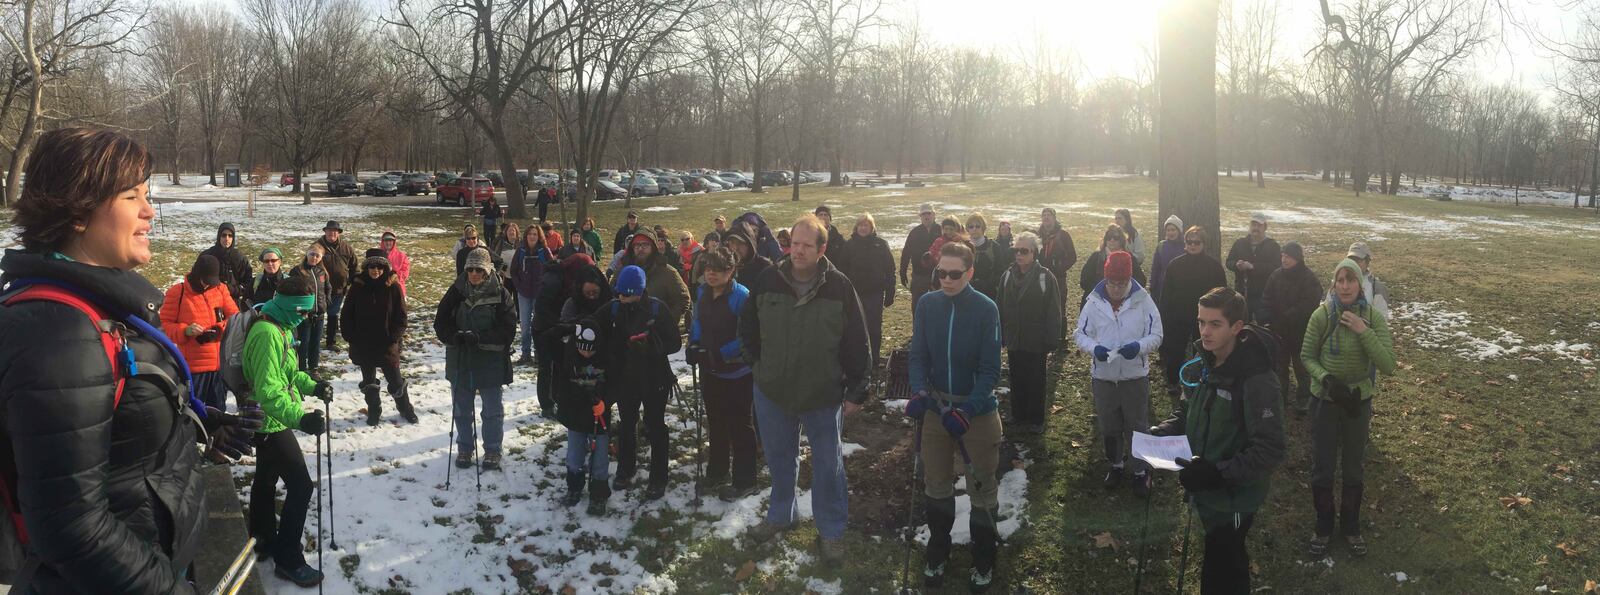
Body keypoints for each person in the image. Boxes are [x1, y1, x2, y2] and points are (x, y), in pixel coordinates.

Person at [0, 127, 234, 593]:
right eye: (132, 196)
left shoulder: (96, 301)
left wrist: (196, 421)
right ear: (80, 211)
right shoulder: (60, 334)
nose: (150, 211)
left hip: (153, 552)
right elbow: (70, 527)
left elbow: (114, 429)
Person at [737, 214, 872, 562]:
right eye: (793, 243)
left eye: (806, 245)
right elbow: (747, 326)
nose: (797, 251)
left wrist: (857, 390)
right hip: (773, 392)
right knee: (780, 461)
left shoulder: (839, 287)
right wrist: (757, 366)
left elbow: (858, 340)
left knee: (828, 466)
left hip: (822, 394)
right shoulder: (769, 279)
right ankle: (781, 516)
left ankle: (831, 531)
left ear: (821, 249)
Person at [1148, 287, 1285, 595]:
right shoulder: (1205, 361)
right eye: (1200, 322)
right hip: (1206, 489)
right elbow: (1189, 407)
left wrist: (1217, 473)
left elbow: (1270, 449)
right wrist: (1165, 430)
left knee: (1226, 568)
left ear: (1237, 327)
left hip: (1234, 496)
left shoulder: (1257, 380)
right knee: (1216, 558)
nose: (1205, 332)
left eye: (1215, 324)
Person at [905, 242, 1004, 591]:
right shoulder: (928, 305)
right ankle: (939, 547)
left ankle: (984, 554)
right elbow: (917, 355)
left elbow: (992, 370)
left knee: (981, 487)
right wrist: (918, 391)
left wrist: (969, 409)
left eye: (954, 274)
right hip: (936, 408)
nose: (946, 280)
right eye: (941, 273)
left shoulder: (985, 309)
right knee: (936, 483)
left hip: (975, 411)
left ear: (970, 273)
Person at [1301, 258, 1395, 558]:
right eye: (1339, 280)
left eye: (1350, 280)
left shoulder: (1372, 318)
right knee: (1323, 465)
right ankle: (1324, 526)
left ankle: (1351, 527)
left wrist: (1361, 331)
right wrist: (1326, 379)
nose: (1344, 286)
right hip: (1325, 401)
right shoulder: (1322, 315)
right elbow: (1307, 356)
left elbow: (1388, 364)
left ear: (1360, 284)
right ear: (1333, 284)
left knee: (1353, 466)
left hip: (1358, 402)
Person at [243, 275, 332, 587]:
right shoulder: (268, 333)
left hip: (269, 417)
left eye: (309, 312)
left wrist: (315, 385)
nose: (305, 317)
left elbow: (288, 374)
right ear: (287, 305)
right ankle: (288, 559)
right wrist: (301, 419)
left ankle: (263, 538)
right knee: (301, 486)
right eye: (302, 311)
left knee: (266, 477)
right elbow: (269, 392)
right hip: (268, 419)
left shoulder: (280, 324)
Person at [1074, 251, 1162, 497]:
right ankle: (1115, 464)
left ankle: (1140, 471)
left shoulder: (1143, 301)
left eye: (1121, 283)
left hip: (1134, 377)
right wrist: (1095, 349)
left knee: (1137, 425)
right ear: (1105, 279)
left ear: (1129, 280)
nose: (1116, 289)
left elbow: (1157, 335)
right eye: (1112, 283)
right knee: (1109, 424)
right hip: (1103, 377)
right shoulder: (1094, 302)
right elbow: (1079, 334)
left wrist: (1139, 347)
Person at [589, 265, 681, 500]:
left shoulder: (656, 309)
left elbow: (675, 344)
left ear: (639, 292)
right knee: (627, 423)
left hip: (655, 378)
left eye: (626, 294)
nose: (621, 298)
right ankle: (625, 469)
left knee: (655, 425)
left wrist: (653, 346)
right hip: (625, 378)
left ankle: (658, 477)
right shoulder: (614, 308)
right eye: (619, 293)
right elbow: (592, 324)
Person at [434, 248, 517, 471]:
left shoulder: (501, 294)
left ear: (487, 270)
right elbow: (440, 321)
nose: (473, 273)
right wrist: (453, 336)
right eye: (470, 269)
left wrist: (480, 338)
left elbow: (508, 330)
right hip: (461, 358)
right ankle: (465, 446)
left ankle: (492, 449)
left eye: (478, 269)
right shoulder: (456, 290)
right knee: (461, 409)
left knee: (491, 410)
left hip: (490, 361)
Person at [687, 248, 760, 501]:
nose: (710, 273)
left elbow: (749, 336)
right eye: (707, 268)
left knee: (740, 425)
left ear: (731, 271)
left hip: (738, 373)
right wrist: (694, 345)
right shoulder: (703, 292)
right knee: (716, 423)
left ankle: (745, 479)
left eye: (717, 269)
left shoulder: (742, 296)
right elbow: (697, 321)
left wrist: (720, 354)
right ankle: (717, 472)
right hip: (711, 371)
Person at [996, 232, 1062, 433]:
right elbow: (999, 306)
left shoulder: (1045, 277)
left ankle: (1036, 419)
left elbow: (1054, 311)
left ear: (1035, 252)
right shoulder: (1007, 276)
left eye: (1024, 251)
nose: (1019, 255)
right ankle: (1018, 414)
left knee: (1036, 380)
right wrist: (1000, 334)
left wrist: (1051, 339)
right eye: (1016, 250)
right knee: (1017, 377)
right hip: (1015, 337)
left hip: (1036, 340)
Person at [343, 248, 417, 425]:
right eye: (372, 266)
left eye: (379, 267)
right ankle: (374, 411)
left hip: (386, 344)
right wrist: (351, 336)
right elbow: (346, 314)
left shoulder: (393, 287)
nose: (375, 270)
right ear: (366, 267)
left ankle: (405, 408)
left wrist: (393, 336)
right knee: (369, 382)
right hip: (363, 343)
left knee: (396, 381)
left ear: (385, 268)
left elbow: (401, 316)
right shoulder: (357, 287)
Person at [160, 253, 240, 410]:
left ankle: (216, 435)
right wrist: (185, 331)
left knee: (218, 413)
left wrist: (220, 329)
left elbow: (235, 317)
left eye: (212, 282)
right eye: (205, 281)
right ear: (197, 274)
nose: (207, 285)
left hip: (218, 366)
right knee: (193, 413)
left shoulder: (220, 289)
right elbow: (164, 325)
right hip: (194, 370)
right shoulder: (178, 292)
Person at [1156, 226, 1228, 400]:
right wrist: (1164, 316)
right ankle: (1173, 381)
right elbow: (1165, 294)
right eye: (1189, 242)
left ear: (1204, 244)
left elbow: (1222, 293)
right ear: (1185, 243)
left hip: (1205, 319)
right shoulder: (1175, 265)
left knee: (1205, 350)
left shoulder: (1214, 267)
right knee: (1175, 350)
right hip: (1177, 316)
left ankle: (1205, 379)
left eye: (1197, 242)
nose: (1193, 245)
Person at [556, 316, 613, 514]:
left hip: (600, 418)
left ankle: (598, 493)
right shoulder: (569, 357)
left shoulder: (606, 357)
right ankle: (574, 487)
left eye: (591, 349)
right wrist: (570, 403)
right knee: (574, 455)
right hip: (576, 416)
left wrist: (604, 401)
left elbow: (614, 384)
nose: (586, 353)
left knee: (599, 458)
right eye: (583, 349)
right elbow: (561, 388)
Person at [1261, 241, 1323, 413]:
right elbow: (1266, 298)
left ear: (1297, 258)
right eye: (1283, 256)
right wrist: (1265, 317)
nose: (1284, 259)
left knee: (1302, 369)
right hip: (1278, 332)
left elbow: (1310, 303)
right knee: (1279, 368)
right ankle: (1280, 398)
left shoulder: (1308, 278)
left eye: (1288, 256)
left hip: (1300, 333)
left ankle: (1304, 400)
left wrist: (1288, 316)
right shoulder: (1275, 276)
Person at [835, 214, 895, 368]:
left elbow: (890, 270)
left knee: (874, 328)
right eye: (860, 225)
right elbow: (842, 269)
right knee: (855, 328)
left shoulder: (881, 245)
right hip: (854, 294)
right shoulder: (849, 246)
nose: (863, 228)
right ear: (856, 227)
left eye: (866, 225)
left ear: (871, 228)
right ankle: (857, 359)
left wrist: (890, 292)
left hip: (875, 294)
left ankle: (874, 359)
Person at [1225, 212, 1281, 322]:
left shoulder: (1273, 246)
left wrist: (1253, 267)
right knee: (1242, 324)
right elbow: (1229, 262)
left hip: (1264, 294)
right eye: (1253, 225)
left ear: (1265, 227)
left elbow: (1277, 267)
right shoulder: (1239, 243)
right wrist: (1236, 265)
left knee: (1264, 325)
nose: (1255, 228)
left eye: (1259, 225)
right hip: (1242, 292)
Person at [624, 231, 690, 322]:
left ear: (653, 247)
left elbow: (682, 300)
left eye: (645, 245)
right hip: (630, 329)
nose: (640, 249)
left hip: (659, 332)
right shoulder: (624, 271)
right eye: (637, 245)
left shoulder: (668, 272)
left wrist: (664, 321)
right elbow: (612, 296)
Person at [1079, 225, 1147, 310]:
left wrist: (1124, 288)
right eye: (1109, 237)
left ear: (1121, 240)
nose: (1112, 240)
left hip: (1124, 306)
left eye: (1115, 237)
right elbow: (1084, 281)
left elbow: (1141, 281)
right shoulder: (1096, 257)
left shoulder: (1129, 258)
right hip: (1097, 304)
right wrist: (1102, 288)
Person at [315, 220, 358, 352]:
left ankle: (330, 342)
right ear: (325, 232)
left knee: (333, 315)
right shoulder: (317, 246)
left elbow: (354, 267)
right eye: (329, 230)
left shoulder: (347, 247)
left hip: (339, 289)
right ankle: (315, 341)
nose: (332, 233)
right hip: (321, 289)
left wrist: (354, 280)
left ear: (338, 233)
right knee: (318, 315)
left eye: (335, 231)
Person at [511, 226, 550, 367]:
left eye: (535, 234)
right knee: (525, 325)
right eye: (530, 234)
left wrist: (546, 286)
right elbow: (513, 271)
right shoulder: (520, 251)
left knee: (539, 325)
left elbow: (552, 269)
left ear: (539, 236)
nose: (532, 237)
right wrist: (518, 285)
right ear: (526, 236)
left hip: (540, 294)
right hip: (524, 293)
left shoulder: (544, 251)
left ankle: (539, 354)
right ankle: (525, 354)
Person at [1036, 207, 1077, 336]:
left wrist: (1060, 268)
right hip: (1040, 277)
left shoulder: (1063, 235)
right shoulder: (1037, 235)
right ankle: (1043, 333)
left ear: (1054, 218)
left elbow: (1072, 256)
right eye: (1044, 215)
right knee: (1041, 304)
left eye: (1049, 215)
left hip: (1058, 277)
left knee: (1059, 305)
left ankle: (1061, 337)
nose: (1046, 217)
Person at [289, 244, 330, 371]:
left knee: (315, 344)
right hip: (304, 316)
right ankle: (302, 369)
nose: (314, 257)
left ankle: (314, 368)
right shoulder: (298, 271)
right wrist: (300, 309)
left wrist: (326, 303)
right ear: (307, 253)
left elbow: (328, 288)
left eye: (318, 255)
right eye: (312, 254)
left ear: (321, 257)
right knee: (303, 344)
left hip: (319, 315)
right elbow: (292, 290)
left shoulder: (321, 272)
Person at [202, 221, 254, 309]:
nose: (227, 238)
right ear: (219, 236)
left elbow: (248, 283)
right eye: (224, 235)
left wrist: (233, 290)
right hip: (209, 300)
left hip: (232, 300)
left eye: (230, 236)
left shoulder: (239, 258)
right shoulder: (208, 256)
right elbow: (197, 277)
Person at [900, 202, 940, 308]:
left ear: (934, 214)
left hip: (940, 275)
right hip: (919, 276)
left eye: (929, 213)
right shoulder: (915, 232)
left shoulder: (941, 230)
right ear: (920, 216)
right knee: (918, 306)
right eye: (923, 214)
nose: (926, 216)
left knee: (938, 306)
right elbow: (906, 253)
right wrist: (902, 271)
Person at [1344, 242, 1390, 321]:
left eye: (1358, 260)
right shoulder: (1339, 283)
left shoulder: (1377, 288)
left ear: (1367, 261)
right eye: (1351, 259)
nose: (1354, 264)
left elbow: (1382, 320)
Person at [966, 213, 1003, 298]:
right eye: (971, 226)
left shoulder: (994, 247)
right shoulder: (963, 246)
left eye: (978, 226)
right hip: (966, 292)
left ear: (983, 228)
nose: (974, 229)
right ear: (967, 229)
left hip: (988, 294)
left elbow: (1000, 272)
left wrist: (985, 284)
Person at [1149, 215, 1185, 302]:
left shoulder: (1185, 246)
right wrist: (1153, 286)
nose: (1170, 233)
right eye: (1168, 230)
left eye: (1173, 230)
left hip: (1179, 286)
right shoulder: (1161, 246)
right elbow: (1155, 268)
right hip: (1162, 286)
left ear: (1179, 231)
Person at [380, 229, 412, 296]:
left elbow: (405, 272)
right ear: (382, 241)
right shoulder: (378, 254)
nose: (388, 242)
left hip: (397, 289)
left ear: (394, 241)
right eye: (386, 240)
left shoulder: (402, 256)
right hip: (381, 288)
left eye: (390, 240)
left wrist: (395, 277)